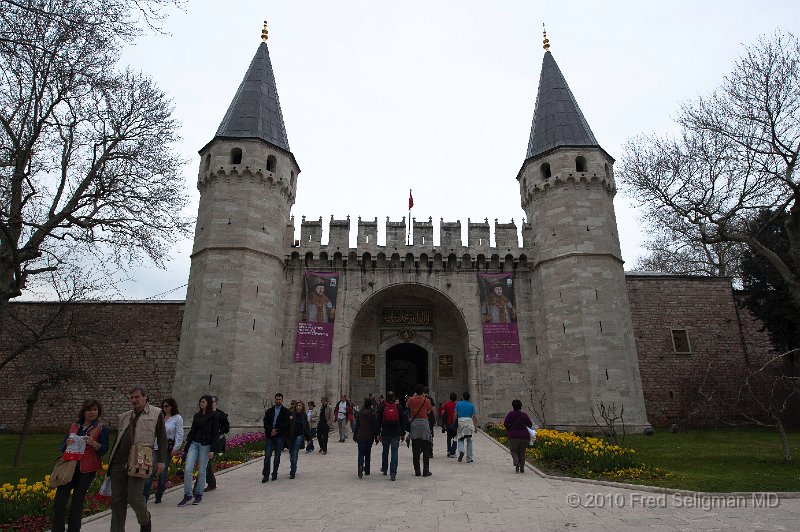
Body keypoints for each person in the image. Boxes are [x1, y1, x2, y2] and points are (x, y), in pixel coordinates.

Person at [109, 385, 167, 532]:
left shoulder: (156, 413)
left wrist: (161, 460)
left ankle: (145, 520)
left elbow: (162, 438)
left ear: (145, 396)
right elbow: (118, 439)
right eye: (132, 397)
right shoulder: (125, 416)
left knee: (135, 496)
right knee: (117, 500)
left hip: (140, 457)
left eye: (137, 397)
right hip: (118, 460)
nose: (134, 400)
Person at [52, 399, 109, 532]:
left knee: (77, 503)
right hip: (69, 466)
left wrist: (93, 443)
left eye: (95, 410)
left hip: (87, 469)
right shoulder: (75, 426)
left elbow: (104, 449)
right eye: (89, 409)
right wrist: (67, 442)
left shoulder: (102, 428)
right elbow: (63, 447)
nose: (92, 412)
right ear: (84, 411)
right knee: (59, 502)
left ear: (98, 412)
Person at [177, 395, 220, 507]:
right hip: (194, 444)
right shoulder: (197, 416)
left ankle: (199, 494)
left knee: (201, 471)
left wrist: (213, 450)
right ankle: (187, 494)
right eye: (200, 401)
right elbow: (192, 432)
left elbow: (215, 434)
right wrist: (185, 449)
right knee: (187, 469)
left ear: (208, 403)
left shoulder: (214, 417)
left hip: (205, 446)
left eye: (203, 401)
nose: (201, 403)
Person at [144, 397, 183, 503]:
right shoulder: (159, 416)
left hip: (166, 449)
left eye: (167, 406)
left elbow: (179, 434)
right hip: (155, 447)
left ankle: (159, 495)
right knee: (149, 473)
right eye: (163, 406)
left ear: (172, 406)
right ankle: (144, 497)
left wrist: (176, 448)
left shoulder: (177, 418)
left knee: (162, 474)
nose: (164, 408)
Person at [377, 391, 407, 481]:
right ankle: (393, 473)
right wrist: (403, 433)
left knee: (385, 451)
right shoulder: (398, 407)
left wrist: (378, 433)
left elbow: (378, 420)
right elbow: (403, 421)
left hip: (385, 432)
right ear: (394, 398)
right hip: (396, 432)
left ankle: (385, 469)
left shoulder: (382, 406)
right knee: (394, 452)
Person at [201, 395, 229, 492]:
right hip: (205, 441)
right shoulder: (204, 413)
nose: (211, 403)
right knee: (205, 463)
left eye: (212, 401)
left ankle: (199, 487)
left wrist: (217, 430)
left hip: (216, 441)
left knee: (206, 463)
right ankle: (211, 483)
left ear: (216, 403)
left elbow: (227, 428)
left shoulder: (220, 414)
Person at [406, 384, 434, 477]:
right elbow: (429, 411)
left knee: (415, 448)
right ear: (423, 392)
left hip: (414, 424)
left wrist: (414, 397)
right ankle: (426, 470)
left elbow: (408, 406)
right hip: (424, 424)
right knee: (425, 448)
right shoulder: (427, 400)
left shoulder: (411, 399)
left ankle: (417, 470)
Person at [262, 393, 290, 482]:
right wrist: (271, 430)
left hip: (279, 436)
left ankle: (274, 473)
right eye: (276, 399)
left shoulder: (286, 411)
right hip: (269, 435)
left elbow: (285, 424)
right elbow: (265, 422)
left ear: (282, 400)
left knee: (277, 456)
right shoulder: (269, 411)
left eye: (279, 399)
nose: (278, 401)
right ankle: (266, 475)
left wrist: (276, 430)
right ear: (275, 400)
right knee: (267, 456)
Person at [504, 399, 534, 473]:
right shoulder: (524, 415)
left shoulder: (511, 414)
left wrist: (509, 428)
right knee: (522, 452)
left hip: (513, 436)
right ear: (521, 406)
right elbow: (530, 424)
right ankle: (522, 468)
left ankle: (516, 461)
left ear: (513, 406)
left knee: (513, 450)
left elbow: (505, 423)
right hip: (525, 436)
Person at [353, 397, 378, 478]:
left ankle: (360, 466)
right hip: (369, 436)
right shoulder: (373, 414)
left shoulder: (360, 412)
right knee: (368, 452)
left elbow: (357, 425)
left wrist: (355, 435)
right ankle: (367, 470)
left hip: (361, 435)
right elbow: (375, 427)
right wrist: (376, 436)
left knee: (361, 453)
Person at [287, 400, 311, 479]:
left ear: (302, 407)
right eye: (297, 406)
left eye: (300, 406)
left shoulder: (303, 415)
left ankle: (293, 471)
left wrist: (308, 439)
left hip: (299, 436)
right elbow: (286, 425)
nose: (298, 407)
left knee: (294, 453)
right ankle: (293, 467)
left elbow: (306, 427)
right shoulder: (291, 414)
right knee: (291, 453)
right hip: (290, 437)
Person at [455, 391, 477, 463]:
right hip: (469, 423)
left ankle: (461, 451)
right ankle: (469, 458)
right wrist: (475, 427)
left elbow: (455, 414)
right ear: (469, 398)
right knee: (469, 441)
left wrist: (453, 423)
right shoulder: (471, 405)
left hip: (461, 423)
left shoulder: (458, 404)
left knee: (460, 438)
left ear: (463, 397)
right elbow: (474, 416)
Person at [442, 393, 458, 457]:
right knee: (455, 437)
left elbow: (443, 413)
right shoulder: (457, 404)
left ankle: (448, 450)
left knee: (448, 437)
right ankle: (453, 452)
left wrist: (443, 423)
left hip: (448, 423)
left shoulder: (446, 404)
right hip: (455, 423)